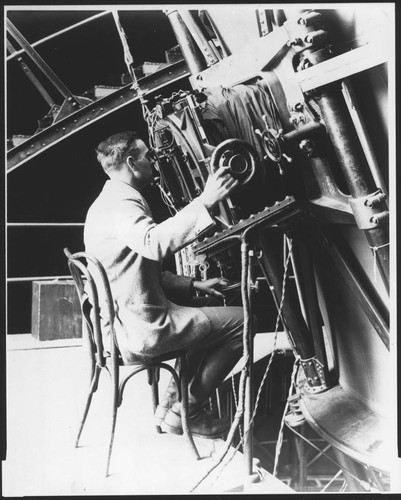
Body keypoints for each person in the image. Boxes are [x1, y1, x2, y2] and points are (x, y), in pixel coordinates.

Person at [84, 131, 246, 439]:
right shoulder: (122, 204)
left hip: (121, 324)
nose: (155, 161)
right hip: (141, 331)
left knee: (203, 311)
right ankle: (191, 412)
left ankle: (170, 405)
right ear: (132, 163)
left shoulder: (106, 202)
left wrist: (193, 284)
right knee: (243, 323)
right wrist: (206, 201)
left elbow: (133, 270)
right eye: (149, 156)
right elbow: (152, 243)